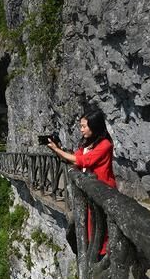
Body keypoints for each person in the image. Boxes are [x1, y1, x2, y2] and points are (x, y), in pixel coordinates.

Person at [46, 109, 116, 255]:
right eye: (81, 126)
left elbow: (83, 161)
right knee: (90, 223)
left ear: (94, 126)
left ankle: (103, 254)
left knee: (100, 223)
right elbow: (74, 158)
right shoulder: (88, 144)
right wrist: (57, 149)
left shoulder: (105, 145)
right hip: (89, 190)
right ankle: (94, 252)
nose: (81, 129)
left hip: (102, 190)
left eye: (84, 126)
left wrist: (58, 150)